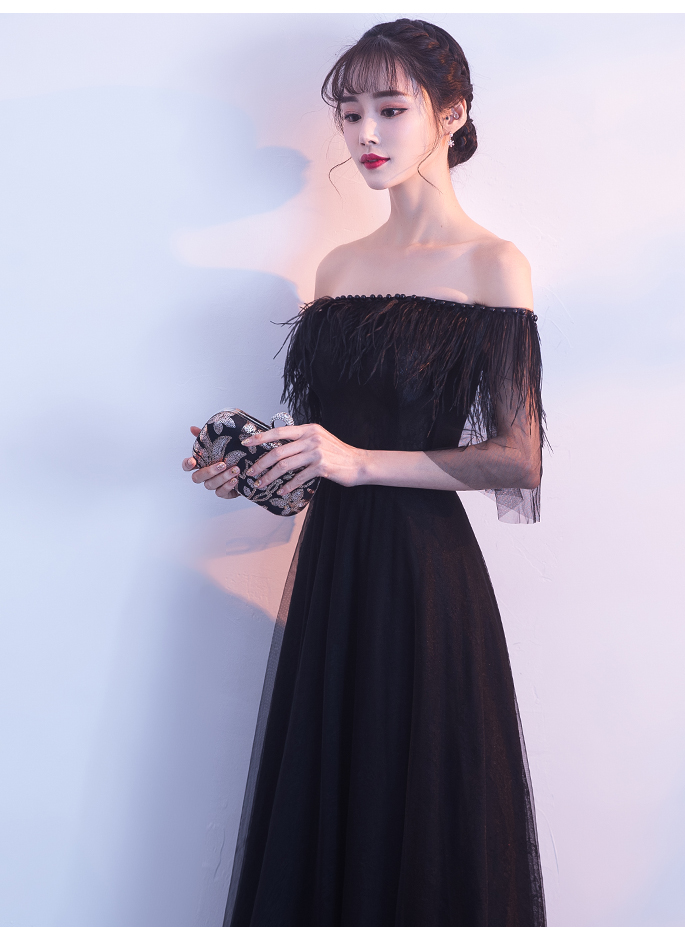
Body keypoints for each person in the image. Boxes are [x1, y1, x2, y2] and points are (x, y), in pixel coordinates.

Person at [182, 18, 546, 926]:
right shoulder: (338, 267)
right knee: (332, 807)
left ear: (451, 115)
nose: (366, 134)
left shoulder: (494, 265)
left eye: (391, 108)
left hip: (425, 578)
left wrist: (351, 459)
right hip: (333, 572)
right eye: (350, 114)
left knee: (419, 812)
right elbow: (326, 459)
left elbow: (517, 458)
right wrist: (262, 469)